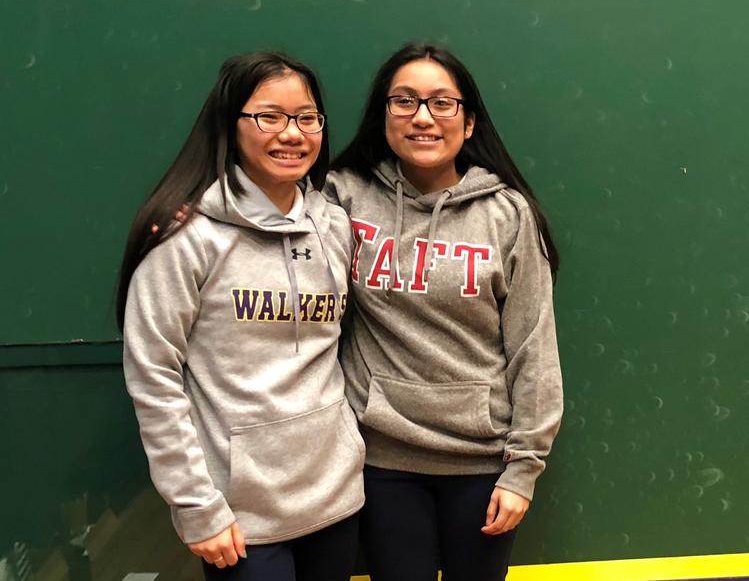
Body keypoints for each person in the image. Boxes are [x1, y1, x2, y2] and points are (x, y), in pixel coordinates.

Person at [116, 51, 364, 581]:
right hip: (239, 515)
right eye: (269, 116)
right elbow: (153, 375)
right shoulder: (186, 235)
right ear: (231, 124)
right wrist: (195, 505)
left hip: (336, 497)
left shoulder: (335, 226)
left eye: (306, 118)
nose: (291, 133)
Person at [324, 42, 563, 581]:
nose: (423, 117)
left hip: (482, 463)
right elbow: (271, 228)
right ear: (382, 116)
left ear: (469, 121)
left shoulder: (508, 214)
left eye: (441, 103)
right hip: (381, 459)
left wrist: (523, 470)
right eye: (404, 102)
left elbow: (534, 349)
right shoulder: (343, 198)